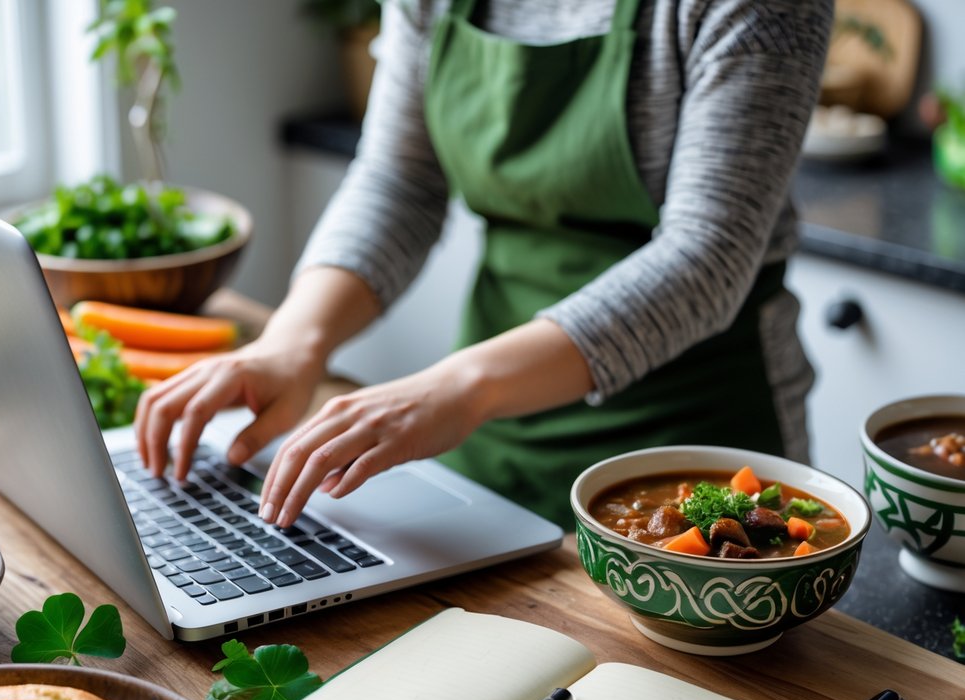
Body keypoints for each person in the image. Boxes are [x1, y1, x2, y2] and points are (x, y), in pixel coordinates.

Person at [136, 0, 833, 530]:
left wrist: (462, 384)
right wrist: (293, 344)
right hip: (487, 432)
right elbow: (399, 182)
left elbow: (706, 257)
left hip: (692, 444)